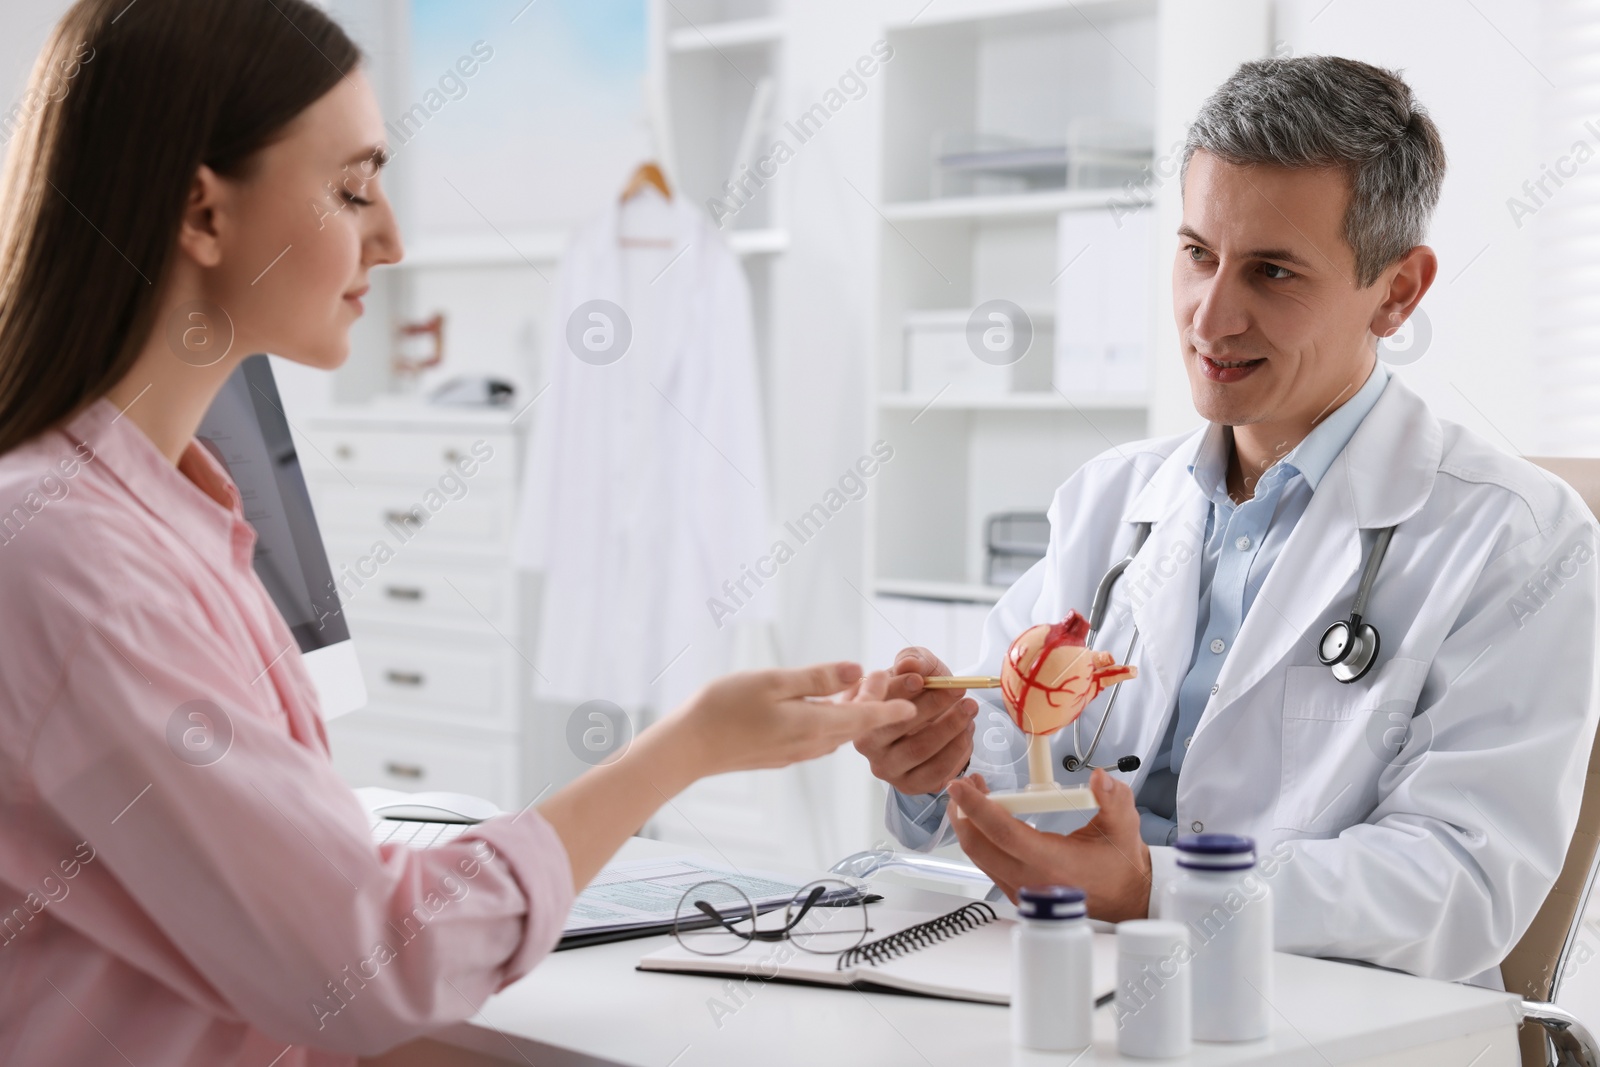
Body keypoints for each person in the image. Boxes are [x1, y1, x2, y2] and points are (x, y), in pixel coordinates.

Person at [0, 2, 914, 1064]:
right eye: (352, 187)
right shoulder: (70, 560)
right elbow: (370, 962)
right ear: (202, 216)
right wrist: (689, 747)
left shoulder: (171, 517)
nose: (390, 236)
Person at [857, 56, 1600, 988]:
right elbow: (1017, 748)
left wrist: (1153, 888)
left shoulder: (1517, 539)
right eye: (1198, 253)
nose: (1211, 316)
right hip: (1068, 985)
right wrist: (937, 761)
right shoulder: (1108, 499)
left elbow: (1458, 881)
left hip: (1332, 1023)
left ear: (1399, 291)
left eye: (1273, 271)